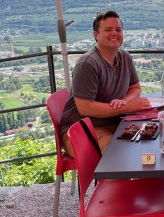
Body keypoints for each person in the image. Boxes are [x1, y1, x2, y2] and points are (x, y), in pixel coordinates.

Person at [60, 10, 150, 158]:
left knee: (149, 138)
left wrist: (123, 102)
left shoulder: (125, 57)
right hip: (81, 128)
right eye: (108, 30)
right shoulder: (87, 64)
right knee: (115, 155)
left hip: (114, 122)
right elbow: (85, 108)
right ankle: (113, 181)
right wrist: (126, 108)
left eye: (118, 29)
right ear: (96, 35)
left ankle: (141, 181)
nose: (114, 33)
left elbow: (135, 88)